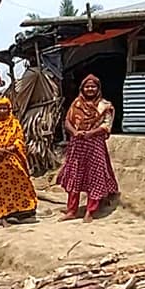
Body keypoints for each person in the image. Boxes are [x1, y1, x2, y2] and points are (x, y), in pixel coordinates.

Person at [57, 74, 119, 223]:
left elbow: (106, 126)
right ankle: (72, 210)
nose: (90, 89)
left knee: (95, 178)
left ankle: (90, 211)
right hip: (77, 146)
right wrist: (74, 132)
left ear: (98, 89)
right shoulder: (76, 104)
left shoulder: (105, 106)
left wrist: (90, 133)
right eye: (87, 86)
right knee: (74, 177)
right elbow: (67, 121)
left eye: (93, 86)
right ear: (82, 88)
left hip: (95, 146)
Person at [0, 96, 38, 228]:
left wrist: (8, 149)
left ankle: (19, 213)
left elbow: (19, 140)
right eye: (0, 108)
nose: (2, 111)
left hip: (11, 159)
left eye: (5, 108)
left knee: (19, 183)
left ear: (9, 109)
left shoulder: (14, 123)